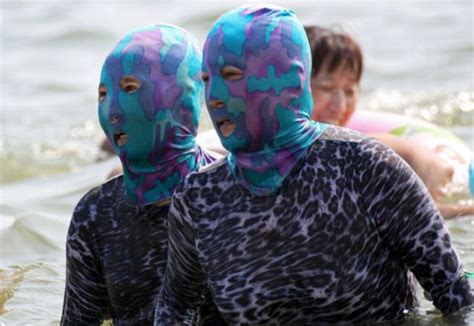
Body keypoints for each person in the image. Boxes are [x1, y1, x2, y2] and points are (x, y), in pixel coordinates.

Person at [155, 4, 472, 325]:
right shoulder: (199, 198)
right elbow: (176, 312)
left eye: (233, 75)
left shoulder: (366, 166)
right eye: (207, 79)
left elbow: (456, 298)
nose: (215, 96)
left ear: (291, 79)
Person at [61, 24, 218, 325]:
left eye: (131, 88)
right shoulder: (95, 213)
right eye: (103, 94)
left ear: (183, 96)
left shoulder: (229, 194)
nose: (112, 111)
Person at [304, 25, 474, 219]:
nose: (340, 105)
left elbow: (438, 167)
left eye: (349, 91)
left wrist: (434, 208)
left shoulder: (360, 146)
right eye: (326, 88)